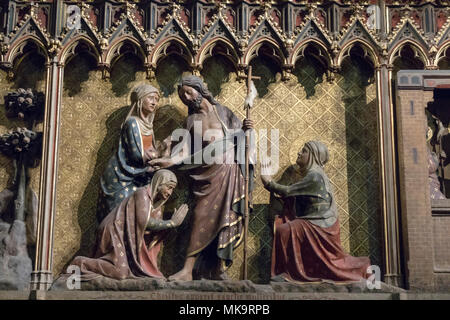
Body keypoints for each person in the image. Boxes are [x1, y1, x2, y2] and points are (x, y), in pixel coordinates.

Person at [149, 75, 255, 281]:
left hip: (230, 171)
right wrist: (169, 162)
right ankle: (187, 270)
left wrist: (247, 130)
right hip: (206, 175)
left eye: (189, 92)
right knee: (200, 217)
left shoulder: (223, 112)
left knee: (225, 217)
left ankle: (217, 269)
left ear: (200, 89)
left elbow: (242, 141)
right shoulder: (192, 120)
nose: (187, 98)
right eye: (182, 96)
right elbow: (185, 150)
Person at [261, 141, 371, 283]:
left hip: (320, 224)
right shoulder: (315, 175)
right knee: (285, 226)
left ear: (313, 156)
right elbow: (295, 198)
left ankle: (289, 274)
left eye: (304, 151)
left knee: (284, 230)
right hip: (316, 221)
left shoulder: (315, 176)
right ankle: (295, 272)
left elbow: (288, 191)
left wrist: (268, 182)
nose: (299, 153)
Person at [67, 169, 188, 281]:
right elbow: (144, 222)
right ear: (159, 183)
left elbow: (151, 233)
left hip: (124, 237)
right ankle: (80, 263)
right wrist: (171, 223)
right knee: (121, 272)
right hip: (114, 231)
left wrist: (168, 226)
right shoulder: (142, 194)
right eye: (169, 187)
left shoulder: (156, 208)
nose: (170, 193)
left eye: (172, 189)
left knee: (124, 271)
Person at [98, 84, 170, 221]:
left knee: (142, 216)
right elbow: (137, 155)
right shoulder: (132, 123)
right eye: (150, 98)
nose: (154, 102)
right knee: (121, 219)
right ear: (140, 100)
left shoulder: (149, 126)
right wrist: (159, 154)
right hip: (121, 177)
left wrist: (163, 150)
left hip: (140, 177)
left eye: (156, 99)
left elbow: (150, 153)